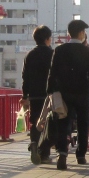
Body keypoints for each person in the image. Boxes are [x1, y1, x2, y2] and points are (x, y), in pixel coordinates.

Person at [45, 19, 89, 170]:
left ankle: (62, 153)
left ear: (69, 33)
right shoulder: (87, 51)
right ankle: (81, 154)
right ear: (81, 33)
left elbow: (52, 72)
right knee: (83, 122)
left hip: (64, 91)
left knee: (63, 122)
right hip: (83, 92)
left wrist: (50, 90)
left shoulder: (60, 50)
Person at [21, 25, 54, 164]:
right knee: (47, 123)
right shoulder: (52, 54)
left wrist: (25, 96)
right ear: (47, 39)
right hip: (49, 95)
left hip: (34, 95)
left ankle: (34, 142)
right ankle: (44, 154)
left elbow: (25, 77)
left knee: (35, 121)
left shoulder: (30, 55)